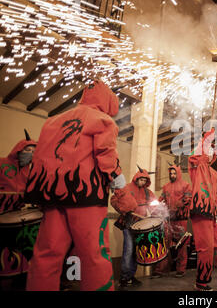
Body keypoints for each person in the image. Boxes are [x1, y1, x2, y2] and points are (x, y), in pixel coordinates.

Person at [25, 80, 136, 291]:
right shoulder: (103, 121)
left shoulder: (52, 121)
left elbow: (41, 158)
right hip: (86, 197)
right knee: (94, 255)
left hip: (52, 196)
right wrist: (121, 189)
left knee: (46, 254)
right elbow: (106, 157)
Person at [188, 128, 217, 291]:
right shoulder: (195, 165)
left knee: (213, 246)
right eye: (206, 148)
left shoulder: (214, 173)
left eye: (211, 149)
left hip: (212, 212)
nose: (208, 151)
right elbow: (195, 156)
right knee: (205, 246)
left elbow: (216, 194)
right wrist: (207, 139)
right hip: (200, 210)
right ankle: (201, 282)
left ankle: (204, 279)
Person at [114, 166, 156, 288]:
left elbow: (154, 204)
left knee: (135, 252)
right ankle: (124, 278)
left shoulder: (147, 192)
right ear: (136, 178)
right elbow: (114, 199)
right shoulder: (126, 188)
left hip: (140, 226)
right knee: (128, 250)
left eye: (145, 180)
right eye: (141, 179)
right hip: (128, 223)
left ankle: (131, 276)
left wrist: (158, 208)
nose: (142, 182)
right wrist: (122, 209)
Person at [154, 165, 191, 278]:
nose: (172, 175)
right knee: (164, 243)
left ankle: (181, 269)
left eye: (174, 173)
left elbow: (188, 198)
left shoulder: (186, 185)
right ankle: (161, 270)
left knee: (182, 244)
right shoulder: (166, 187)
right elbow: (161, 200)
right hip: (168, 219)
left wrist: (178, 205)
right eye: (171, 174)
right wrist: (156, 206)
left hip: (181, 219)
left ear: (178, 173)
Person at [0, 130, 37, 214]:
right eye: (27, 150)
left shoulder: (29, 172)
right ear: (18, 150)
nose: (30, 154)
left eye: (33, 152)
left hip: (16, 213)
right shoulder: (1, 163)